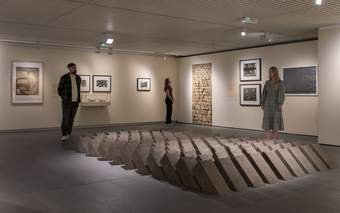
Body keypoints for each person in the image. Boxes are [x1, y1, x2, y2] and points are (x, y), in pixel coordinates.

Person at [57, 63, 81, 142]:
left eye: (75, 67)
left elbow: (78, 89)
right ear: (69, 68)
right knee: (65, 119)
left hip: (75, 102)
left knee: (71, 119)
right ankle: (64, 134)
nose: (74, 69)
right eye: (73, 68)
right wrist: (64, 98)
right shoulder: (64, 77)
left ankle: (69, 133)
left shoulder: (78, 78)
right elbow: (59, 90)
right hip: (67, 102)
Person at [261, 66, 285, 140]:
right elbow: (264, 93)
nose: (270, 73)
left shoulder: (280, 83)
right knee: (267, 123)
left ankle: (274, 139)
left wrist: (280, 104)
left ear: (275, 72)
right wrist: (262, 103)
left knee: (276, 122)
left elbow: (281, 94)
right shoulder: (267, 83)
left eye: (271, 72)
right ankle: (268, 138)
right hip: (267, 104)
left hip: (276, 105)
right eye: (269, 72)